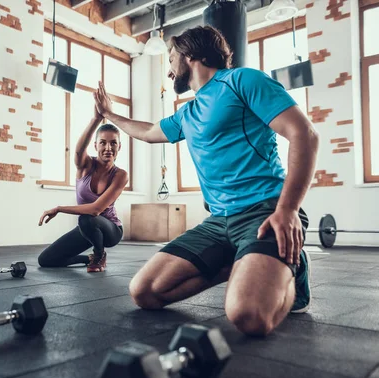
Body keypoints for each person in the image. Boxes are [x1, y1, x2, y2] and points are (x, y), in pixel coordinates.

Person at [93, 25, 319, 337]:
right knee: (144, 291)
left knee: (247, 315)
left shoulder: (242, 80)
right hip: (218, 222)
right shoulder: (188, 113)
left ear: (192, 55)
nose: (170, 71)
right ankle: (241, 262)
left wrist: (288, 209)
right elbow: (147, 132)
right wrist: (110, 115)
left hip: (265, 211)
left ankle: (293, 269)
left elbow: (303, 133)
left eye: (171, 58)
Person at [37, 103, 129, 272]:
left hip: (111, 230)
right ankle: (89, 259)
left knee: (86, 218)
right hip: (88, 228)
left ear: (119, 147)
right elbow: (79, 150)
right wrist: (96, 119)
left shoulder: (120, 175)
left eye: (113, 143)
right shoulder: (85, 166)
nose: (108, 148)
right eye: (102, 143)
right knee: (46, 260)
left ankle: (99, 254)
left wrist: (59, 208)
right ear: (96, 146)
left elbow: (96, 210)